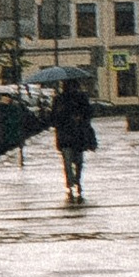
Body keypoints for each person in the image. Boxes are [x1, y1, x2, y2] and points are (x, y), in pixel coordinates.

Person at [52, 70, 96, 202]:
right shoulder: (60, 99)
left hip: (72, 135)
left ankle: (74, 182)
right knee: (73, 161)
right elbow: (54, 118)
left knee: (73, 161)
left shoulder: (79, 98)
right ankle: (72, 182)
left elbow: (88, 114)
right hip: (72, 136)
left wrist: (80, 117)